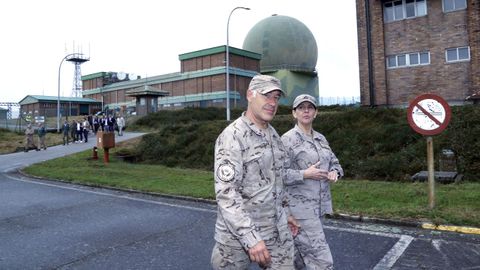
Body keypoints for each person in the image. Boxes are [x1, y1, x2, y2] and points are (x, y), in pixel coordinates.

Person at [211, 74, 300, 270]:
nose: (272, 102)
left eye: (276, 97)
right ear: (250, 95)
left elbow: (277, 182)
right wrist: (251, 239)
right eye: (266, 95)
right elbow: (227, 194)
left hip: (275, 232)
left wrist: (286, 214)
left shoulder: (274, 136)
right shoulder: (232, 136)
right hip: (235, 238)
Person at [281, 94, 344, 270]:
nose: (306, 111)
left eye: (310, 107)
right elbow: (278, 175)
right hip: (300, 211)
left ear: (316, 113)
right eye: (301, 107)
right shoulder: (287, 140)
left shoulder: (321, 138)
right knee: (322, 262)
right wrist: (304, 174)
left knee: (297, 260)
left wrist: (334, 173)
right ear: (294, 113)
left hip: (319, 208)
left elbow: (336, 164)